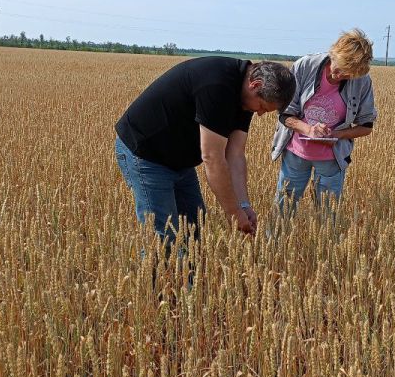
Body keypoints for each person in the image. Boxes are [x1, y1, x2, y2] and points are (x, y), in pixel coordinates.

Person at [115, 57, 296, 245]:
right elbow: (212, 158)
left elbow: (235, 154)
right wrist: (233, 213)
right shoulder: (217, 85)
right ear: (255, 85)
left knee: (195, 229)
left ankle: (187, 265)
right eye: (262, 107)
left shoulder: (246, 95)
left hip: (180, 161)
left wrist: (243, 205)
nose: (259, 113)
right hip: (146, 154)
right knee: (163, 239)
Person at [270, 29, 377, 213]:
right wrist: (308, 130)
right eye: (340, 68)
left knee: (328, 216)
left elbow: (366, 126)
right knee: (283, 211)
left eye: (348, 75)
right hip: (296, 155)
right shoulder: (305, 66)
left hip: (332, 160)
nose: (340, 76)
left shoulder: (362, 81)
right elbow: (284, 114)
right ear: (334, 53)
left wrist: (336, 135)